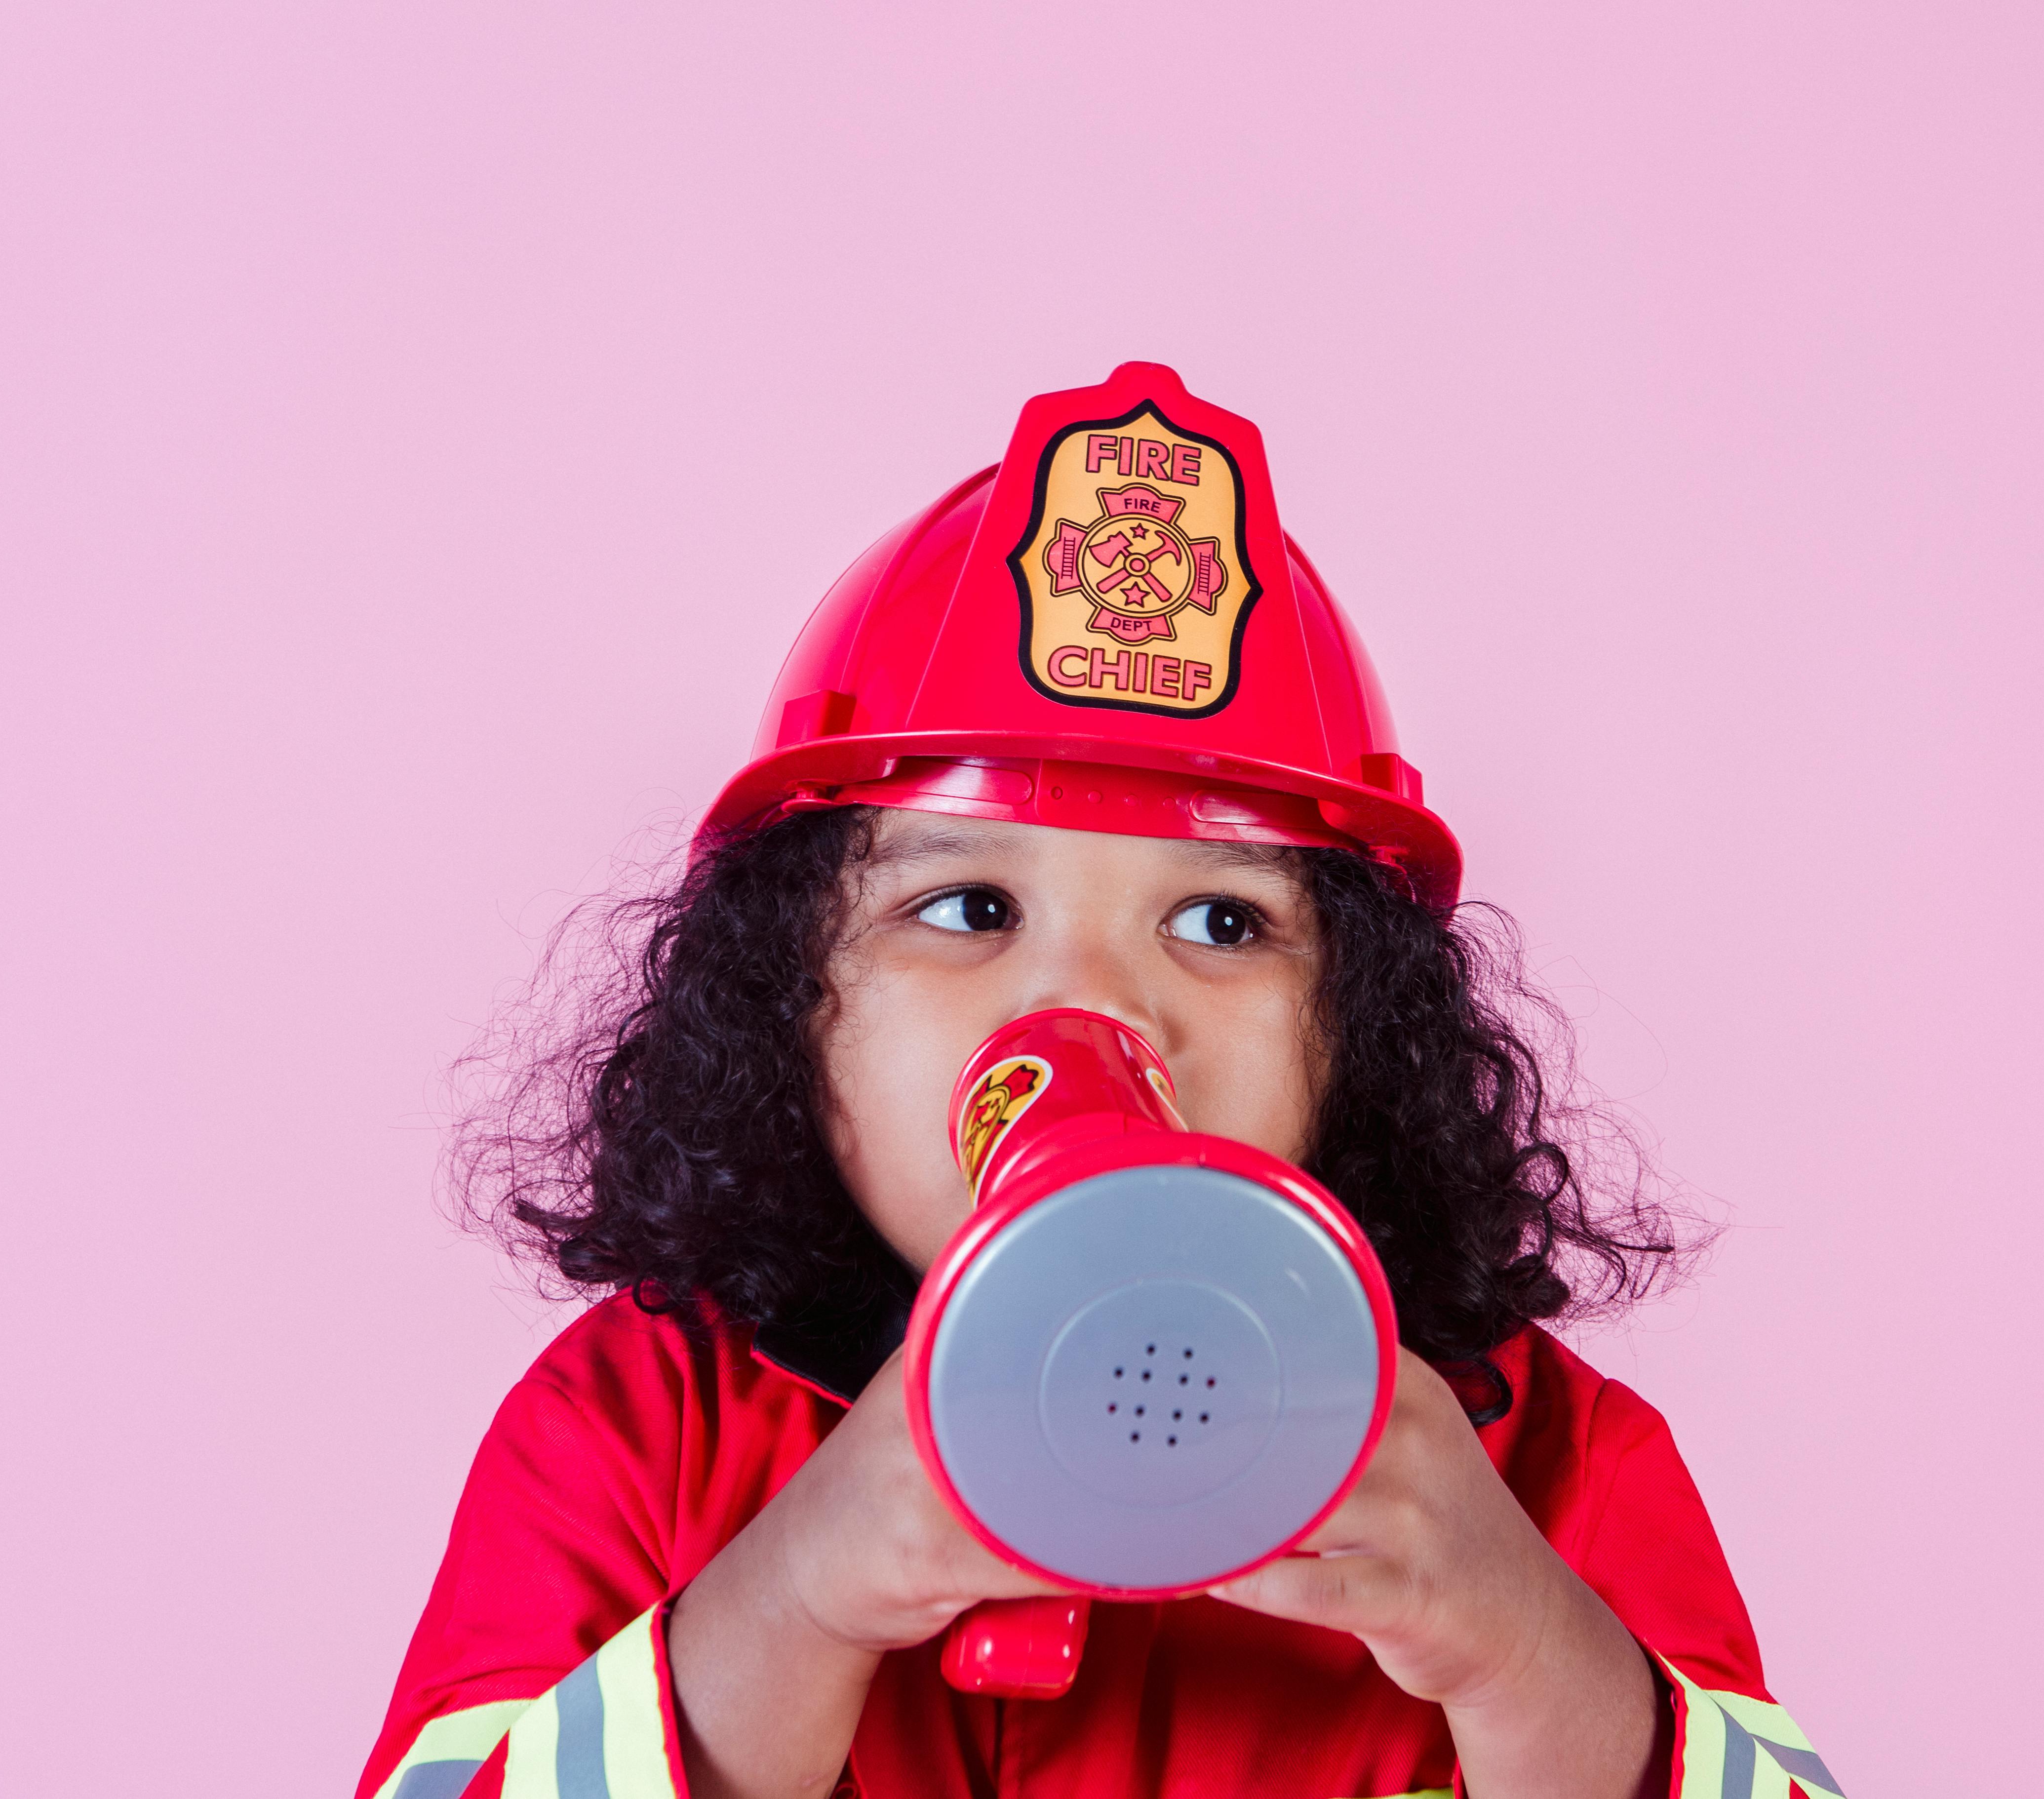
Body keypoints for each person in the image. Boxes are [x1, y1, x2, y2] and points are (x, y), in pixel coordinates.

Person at [356, 365, 1838, 1799]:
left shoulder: (1539, 1465)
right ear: (785, 1002)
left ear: (1360, 1032)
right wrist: (792, 1602)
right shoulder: (637, 1429)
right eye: (970, 908)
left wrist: (1529, 1653)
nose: (1095, 1008)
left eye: (1221, 922)